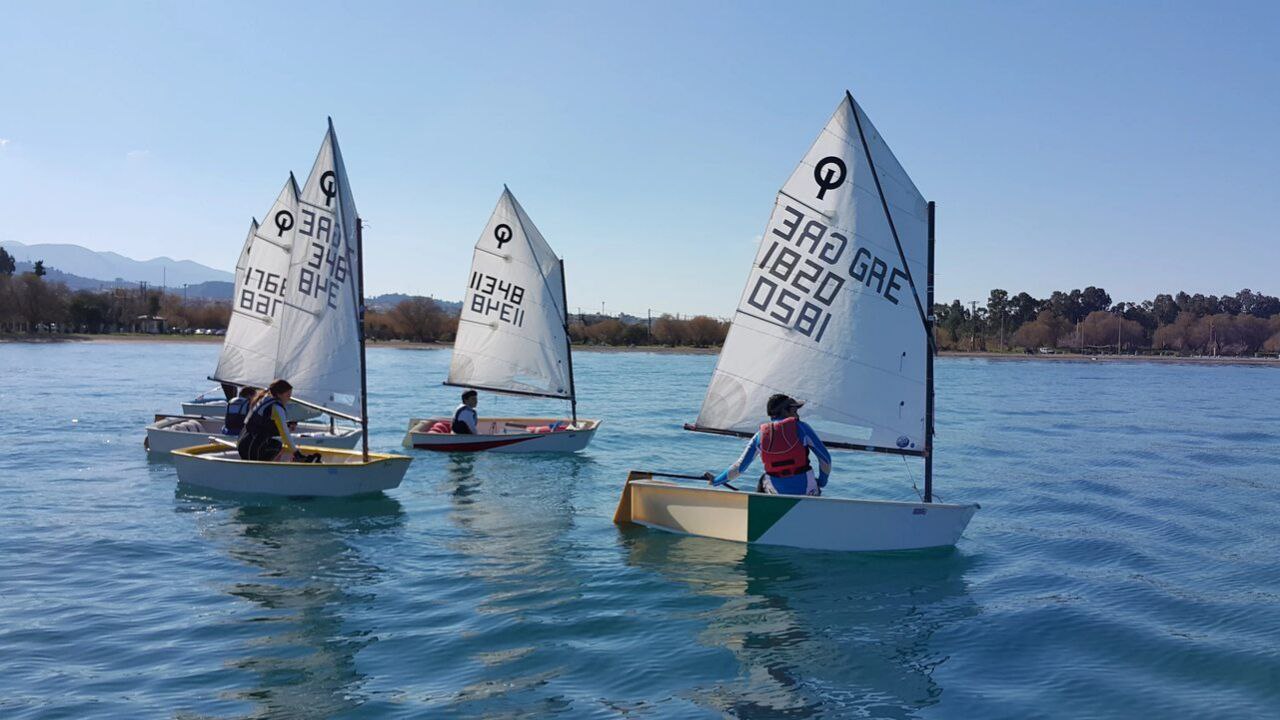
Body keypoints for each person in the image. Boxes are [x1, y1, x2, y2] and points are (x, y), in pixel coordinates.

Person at [706, 393, 832, 496]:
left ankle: (761, 514)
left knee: (763, 480)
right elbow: (825, 459)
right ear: (785, 411)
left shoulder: (760, 435)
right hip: (806, 488)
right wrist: (821, 482)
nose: (797, 414)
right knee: (815, 487)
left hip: (776, 490)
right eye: (794, 410)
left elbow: (739, 468)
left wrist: (716, 481)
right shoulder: (802, 428)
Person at [237, 379, 308, 462]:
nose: (289, 399)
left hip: (243, 444)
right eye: (288, 395)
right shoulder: (277, 408)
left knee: (273, 442)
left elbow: (262, 425)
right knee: (277, 445)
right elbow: (285, 434)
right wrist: (296, 453)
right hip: (252, 447)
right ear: (278, 394)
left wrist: (287, 425)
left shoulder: (264, 399)